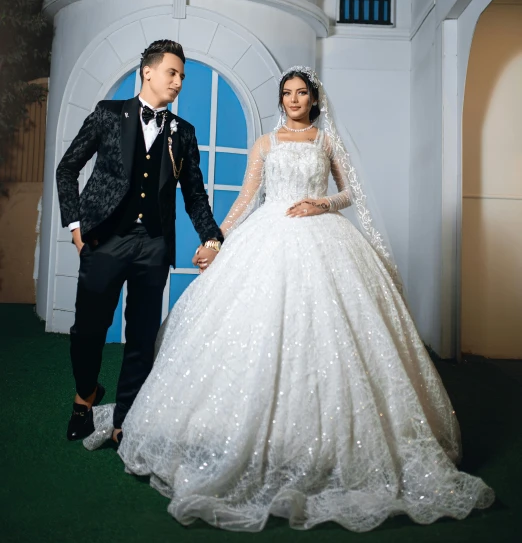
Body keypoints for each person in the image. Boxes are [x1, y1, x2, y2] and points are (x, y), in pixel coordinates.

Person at [86, 66, 494, 532]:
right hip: (268, 236)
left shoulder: (326, 142)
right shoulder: (265, 142)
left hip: (322, 236)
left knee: (333, 335)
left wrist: (320, 203)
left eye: (302, 93)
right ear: (281, 99)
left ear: (314, 100)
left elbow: (350, 194)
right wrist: (217, 239)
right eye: (287, 93)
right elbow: (246, 197)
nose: (294, 99)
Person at [56, 39, 223, 445]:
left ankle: (123, 421)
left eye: (183, 75)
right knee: (87, 332)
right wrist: (77, 231)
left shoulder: (183, 133)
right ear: (148, 71)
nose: (179, 81)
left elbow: (194, 194)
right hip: (104, 240)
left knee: (141, 337)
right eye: (172, 72)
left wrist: (211, 236)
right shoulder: (108, 114)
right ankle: (86, 395)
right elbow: (67, 169)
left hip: (153, 246)